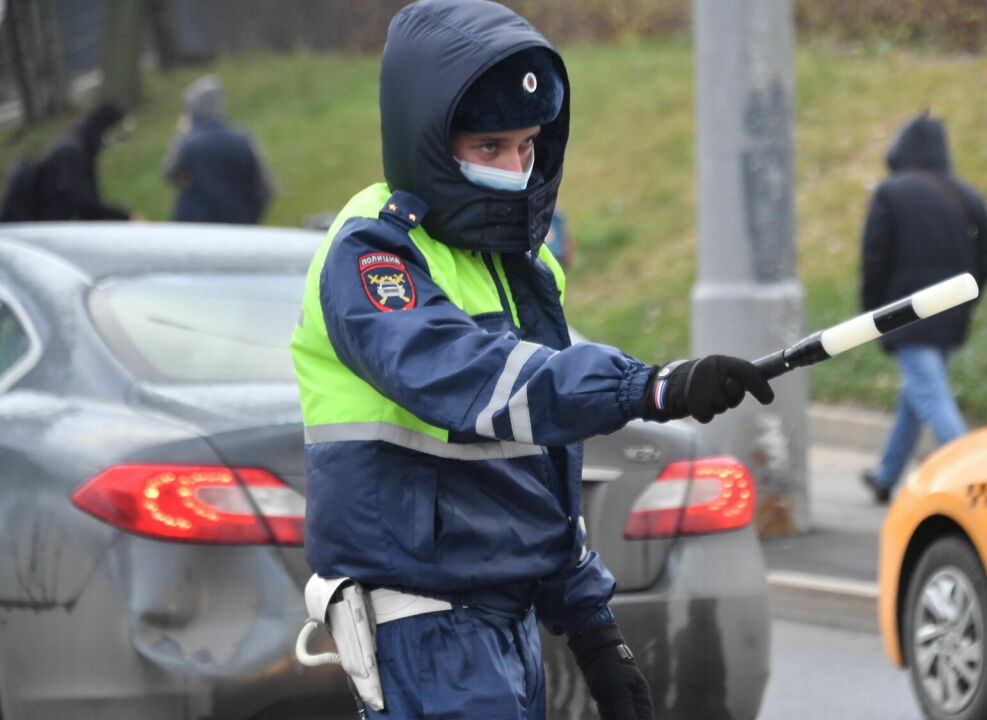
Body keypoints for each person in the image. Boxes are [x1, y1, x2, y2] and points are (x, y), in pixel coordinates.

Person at [288, 2, 775, 718]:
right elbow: (468, 379)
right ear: (428, 139)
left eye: (527, 147)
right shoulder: (374, 253)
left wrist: (592, 627)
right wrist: (649, 387)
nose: (517, 171)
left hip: (503, 627)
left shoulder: (518, 265)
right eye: (491, 148)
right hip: (423, 626)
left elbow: (537, 462)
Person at [859, 113, 987, 504]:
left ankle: (979, 477)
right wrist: (967, 301)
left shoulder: (890, 193)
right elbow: (985, 262)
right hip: (952, 313)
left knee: (930, 396)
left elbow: (874, 260)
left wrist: (873, 316)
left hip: (906, 313)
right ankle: (887, 475)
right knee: (918, 393)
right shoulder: (968, 195)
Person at [161, 75, 274, 224]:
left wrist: (181, 135)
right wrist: (252, 216)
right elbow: (266, 188)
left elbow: (168, 173)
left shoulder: (187, 142)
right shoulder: (244, 140)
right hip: (238, 224)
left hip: (193, 225)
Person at [0, 102, 131, 222]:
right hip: (34, 224)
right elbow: (84, 206)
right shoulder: (72, 152)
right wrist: (124, 216)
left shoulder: (81, 147)